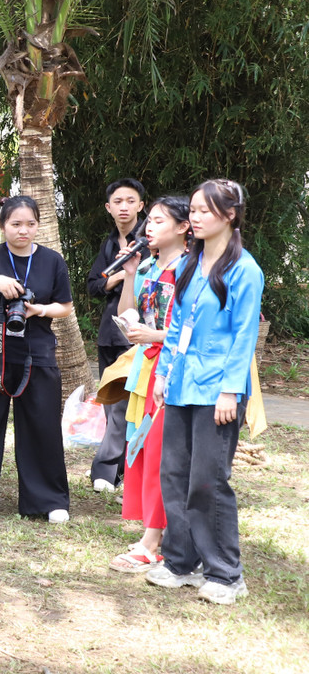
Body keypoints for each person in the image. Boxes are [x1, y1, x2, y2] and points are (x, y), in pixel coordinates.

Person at [148, 179, 263, 605]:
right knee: (173, 475)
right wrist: (163, 374)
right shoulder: (186, 265)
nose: (194, 217)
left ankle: (226, 573)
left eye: (204, 211)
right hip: (180, 383)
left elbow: (243, 336)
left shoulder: (245, 270)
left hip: (219, 390)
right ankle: (181, 562)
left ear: (230, 215)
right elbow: (177, 326)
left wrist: (231, 392)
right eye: (192, 210)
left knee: (208, 482)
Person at [0, 195, 75, 523]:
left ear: (38, 225)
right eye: (16, 224)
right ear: (2, 225)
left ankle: (47, 501)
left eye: (30, 224)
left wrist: (41, 310)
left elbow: (65, 306)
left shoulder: (52, 261)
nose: (23, 231)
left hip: (38, 350)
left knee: (42, 425)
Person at [107, 196, 189, 572]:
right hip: (145, 367)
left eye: (157, 221)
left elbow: (190, 330)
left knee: (161, 453)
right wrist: (130, 273)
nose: (148, 227)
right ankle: (153, 531)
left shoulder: (192, 270)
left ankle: (152, 541)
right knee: (141, 449)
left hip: (172, 369)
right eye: (149, 221)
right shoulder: (151, 266)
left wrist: (154, 335)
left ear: (183, 227)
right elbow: (129, 310)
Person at [87, 179, 146, 492]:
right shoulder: (109, 244)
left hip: (138, 333)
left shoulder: (150, 242)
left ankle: (107, 471)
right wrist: (121, 274)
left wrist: (117, 275)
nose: (124, 207)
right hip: (110, 333)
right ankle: (119, 470)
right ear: (108, 208)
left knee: (129, 407)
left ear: (140, 205)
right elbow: (93, 286)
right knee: (112, 405)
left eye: (130, 201)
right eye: (117, 202)